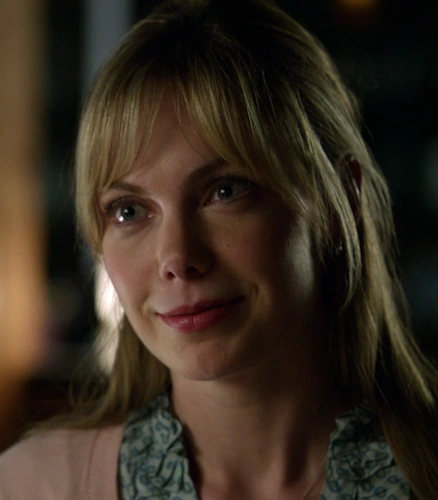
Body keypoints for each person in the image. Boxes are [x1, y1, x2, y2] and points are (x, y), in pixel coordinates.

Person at [1, 0, 437, 498]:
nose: (177, 258)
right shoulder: (30, 486)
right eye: (129, 210)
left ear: (342, 204)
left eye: (225, 191)